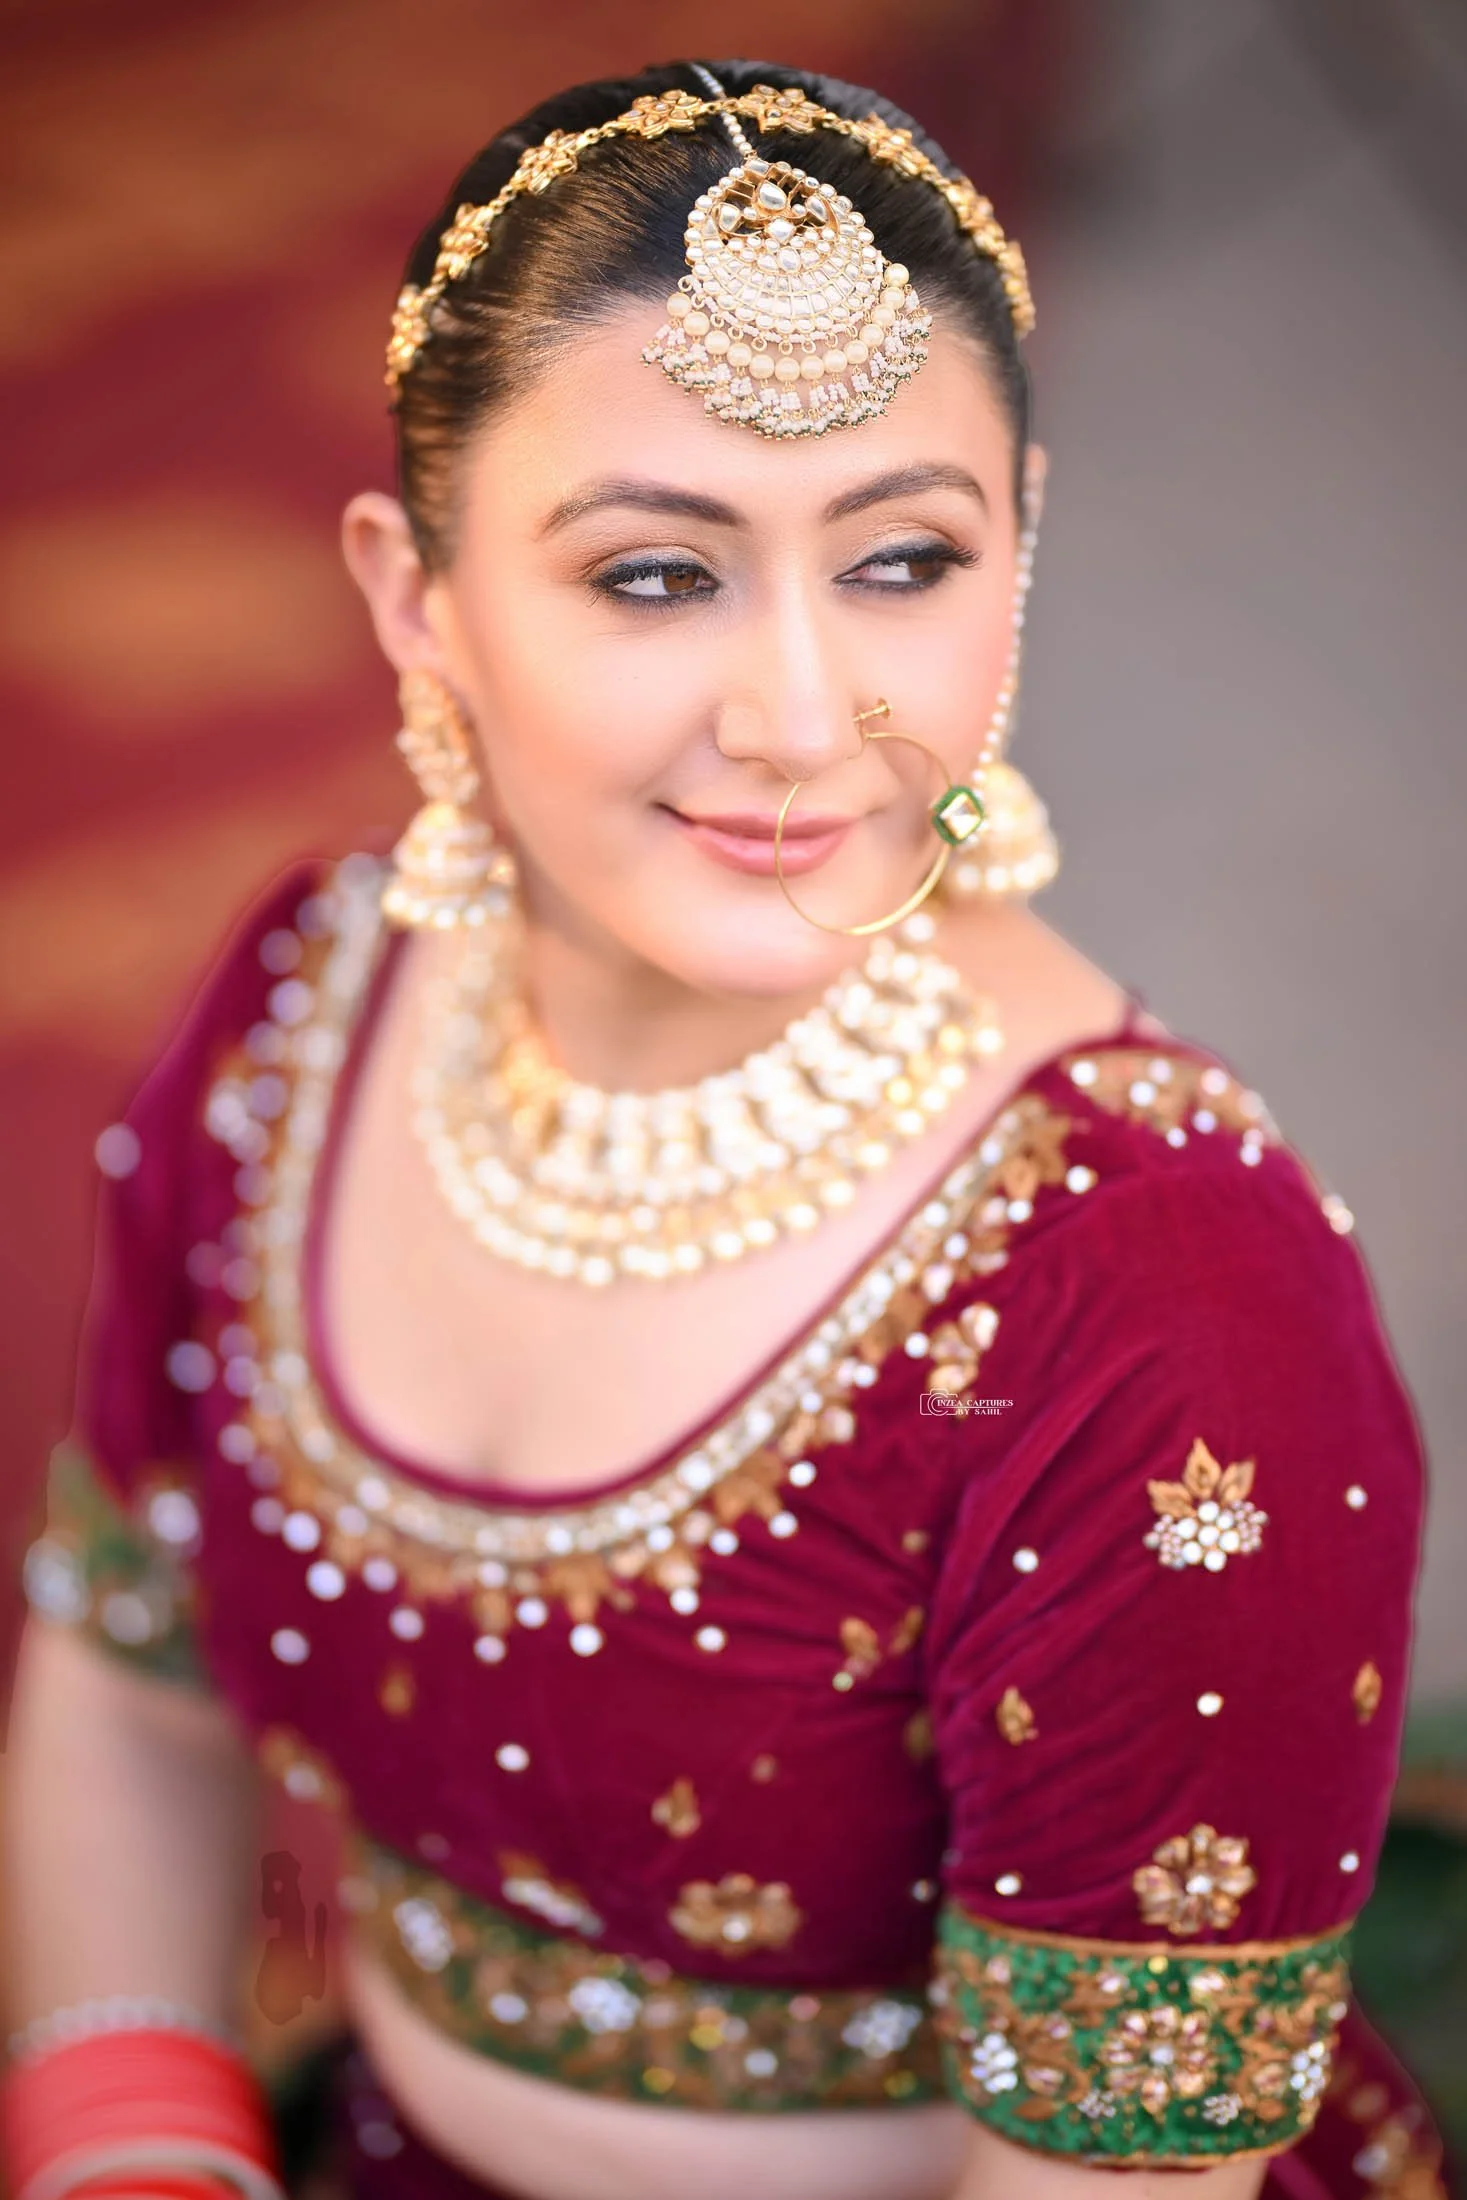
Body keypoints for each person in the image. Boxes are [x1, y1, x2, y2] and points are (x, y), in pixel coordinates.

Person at [0, 54, 1448, 2200]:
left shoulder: (1159, 1304)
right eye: (658, 575)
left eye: (903, 559)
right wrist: (134, 2148)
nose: (796, 719)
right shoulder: (300, 1018)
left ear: (1019, 549)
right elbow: (127, 1687)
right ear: (417, 599)